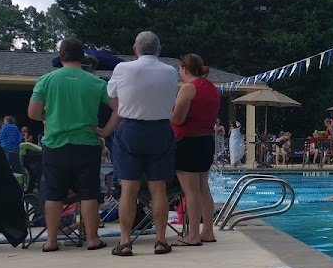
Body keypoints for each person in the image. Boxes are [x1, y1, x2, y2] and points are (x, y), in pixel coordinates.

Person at [27, 38, 114, 252]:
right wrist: (105, 131)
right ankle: (92, 239)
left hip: (55, 144)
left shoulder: (46, 80)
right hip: (86, 144)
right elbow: (119, 107)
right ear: (82, 56)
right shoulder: (95, 82)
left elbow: (33, 113)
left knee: (53, 193)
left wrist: (50, 116)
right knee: (89, 193)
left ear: (61, 56)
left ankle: (51, 241)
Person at [99, 30, 180, 256]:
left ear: (135, 49)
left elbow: (111, 95)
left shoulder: (122, 68)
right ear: (159, 50)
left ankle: (125, 241)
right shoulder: (170, 71)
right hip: (160, 129)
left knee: (129, 188)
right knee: (158, 187)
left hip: (130, 129)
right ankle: (161, 240)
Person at [169, 53, 221, 247]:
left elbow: (178, 119)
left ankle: (193, 235)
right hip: (206, 141)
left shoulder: (188, 88)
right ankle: (208, 231)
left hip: (188, 142)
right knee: (203, 187)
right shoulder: (212, 88)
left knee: (190, 191)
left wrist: (166, 113)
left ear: (184, 69)